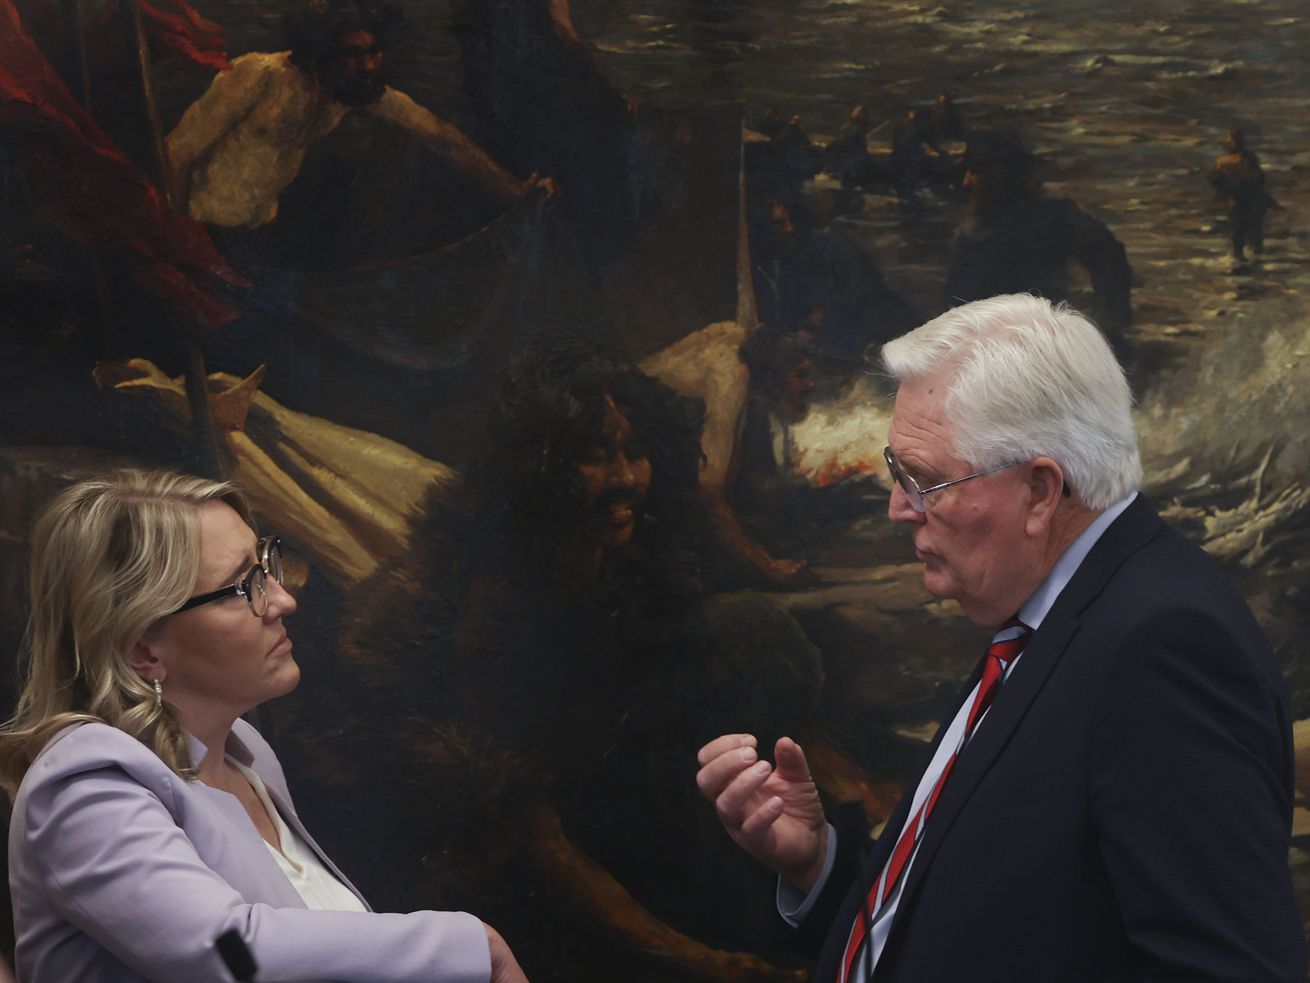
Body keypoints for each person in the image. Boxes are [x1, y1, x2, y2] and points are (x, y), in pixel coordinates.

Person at [696, 294, 1306, 981]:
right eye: (900, 473)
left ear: (1041, 490)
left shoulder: (1162, 647)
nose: (899, 508)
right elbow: (998, 930)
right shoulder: (1049, 608)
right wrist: (815, 865)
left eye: (924, 480)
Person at [0, 469, 529, 982]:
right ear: (143, 650)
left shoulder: (245, 756)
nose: (282, 599)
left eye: (266, 564)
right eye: (242, 586)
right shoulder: (85, 788)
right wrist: (467, 945)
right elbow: (227, 950)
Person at [165, 0, 552, 233]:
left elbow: (441, 138)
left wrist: (514, 191)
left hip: (260, 233)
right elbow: (176, 153)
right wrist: (179, 236)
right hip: (201, 228)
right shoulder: (258, 75)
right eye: (352, 53)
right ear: (321, 53)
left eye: (374, 51)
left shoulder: (351, 93)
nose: (367, 65)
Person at [944, 129, 1133, 340]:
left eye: (976, 170)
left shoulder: (1054, 216)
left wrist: (1109, 328)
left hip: (1039, 346)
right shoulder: (968, 236)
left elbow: (1109, 258)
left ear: (1002, 172)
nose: (966, 182)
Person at [1209, 128, 1273, 261]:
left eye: (1229, 140)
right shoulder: (1251, 158)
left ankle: (1240, 263)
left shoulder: (1222, 162)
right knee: (1255, 233)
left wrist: (1226, 190)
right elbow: (1261, 179)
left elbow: (1214, 180)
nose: (1227, 143)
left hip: (1236, 200)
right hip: (1253, 199)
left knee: (1238, 233)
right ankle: (1258, 266)